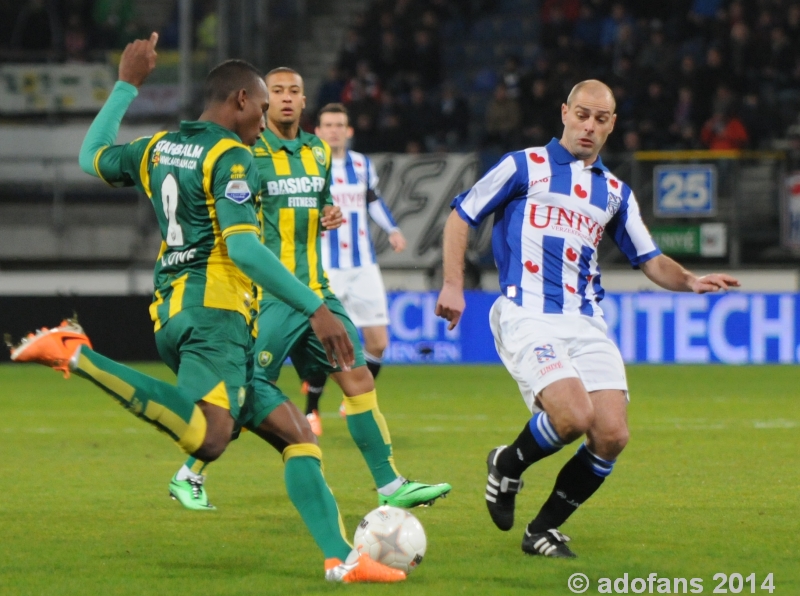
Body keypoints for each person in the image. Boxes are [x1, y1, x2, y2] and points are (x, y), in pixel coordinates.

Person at [10, 34, 402, 583]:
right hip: (212, 310)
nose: (265, 123)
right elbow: (243, 247)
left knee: (298, 436)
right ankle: (78, 354)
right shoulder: (231, 155)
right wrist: (317, 307)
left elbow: (90, 156)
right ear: (240, 100)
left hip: (193, 312)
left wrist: (126, 85)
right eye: (263, 109)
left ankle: (344, 559)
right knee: (211, 437)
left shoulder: (158, 146)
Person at [435, 80, 739, 558]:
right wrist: (454, 284)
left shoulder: (615, 192)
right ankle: (508, 464)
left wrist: (691, 281)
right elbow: (461, 216)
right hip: (528, 314)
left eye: (601, 119)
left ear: (612, 124)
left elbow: (651, 258)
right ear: (564, 113)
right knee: (572, 416)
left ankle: (542, 531)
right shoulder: (523, 165)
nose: (589, 126)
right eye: (582, 115)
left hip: (587, 322)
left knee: (612, 434)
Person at [231, 67, 450, 510]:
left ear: (304, 100)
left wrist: (327, 213)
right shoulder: (247, 154)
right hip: (273, 292)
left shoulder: (315, 151)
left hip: (318, 286)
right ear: (264, 100)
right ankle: (191, 468)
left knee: (358, 373)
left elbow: (320, 201)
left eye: (295, 91)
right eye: (278, 92)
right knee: (244, 393)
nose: (287, 98)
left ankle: (390, 484)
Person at [301, 102, 406, 435]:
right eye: (328, 124)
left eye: (339, 125)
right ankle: (311, 410)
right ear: (317, 131)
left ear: (348, 130)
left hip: (362, 266)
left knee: (378, 342)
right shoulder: (309, 164)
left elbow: (372, 200)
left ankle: (351, 400)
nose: (334, 130)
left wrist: (392, 229)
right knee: (324, 342)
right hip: (326, 268)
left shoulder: (361, 164)